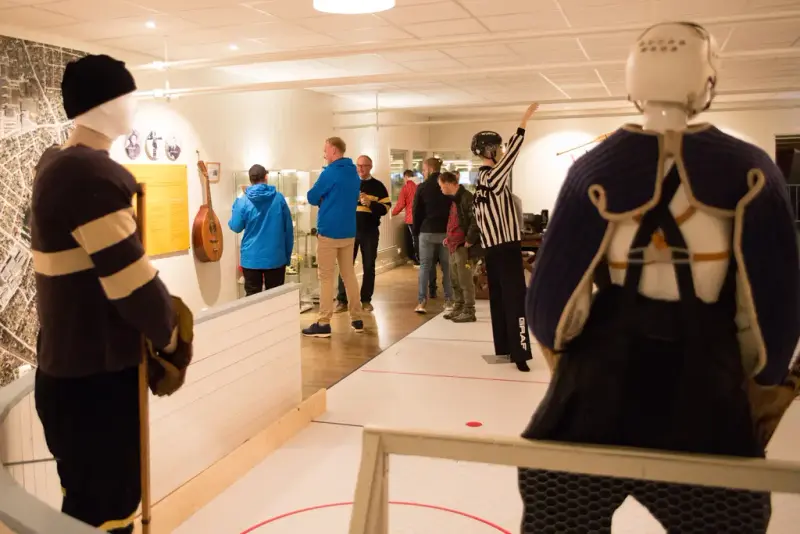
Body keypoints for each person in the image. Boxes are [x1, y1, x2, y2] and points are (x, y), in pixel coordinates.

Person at [521, 22, 800, 533]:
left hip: (601, 386)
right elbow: (771, 314)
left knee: (559, 506)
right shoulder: (753, 170)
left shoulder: (594, 171)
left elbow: (553, 308)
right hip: (704, 386)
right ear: (707, 81)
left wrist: (566, 359)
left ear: (633, 82)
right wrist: (758, 382)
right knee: (725, 518)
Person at [30, 54, 192, 534]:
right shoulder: (88, 176)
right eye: (130, 96)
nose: (135, 107)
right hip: (95, 379)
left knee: (84, 505)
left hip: (69, 372)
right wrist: (169, 339)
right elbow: (133, 286)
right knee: (108, 512)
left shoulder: (55, 165)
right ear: (107, 104)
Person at [470, 104, 538, 372]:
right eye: (497, 148)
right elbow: (511, 156)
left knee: (499, 300)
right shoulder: (493, 176)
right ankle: (519, 353)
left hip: (492, 248)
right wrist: (524, 122)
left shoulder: (481, 179)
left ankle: (505, 349)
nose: (500, 152)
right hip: (505, 246)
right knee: (514, 299)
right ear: (489, 151)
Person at [302, 137, 364, 338]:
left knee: (326, 278)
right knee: (349, 275)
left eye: (326, 150)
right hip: (348, 231)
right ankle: (357, 318)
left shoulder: (330, 172)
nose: (324, 153)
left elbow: (312, 196)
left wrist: (323, 198)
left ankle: (324, 322)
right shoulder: (353, 173)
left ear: (335, 151)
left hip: (329, 232)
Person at [335, 155, 391, 313]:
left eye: (364, 166)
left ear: (370, 166)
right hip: (348, 231)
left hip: (370, 232)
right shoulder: (348, 183)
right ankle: (342, 300)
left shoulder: (378, 186)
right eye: (358, 165)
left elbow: (386, 208)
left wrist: (371, 204)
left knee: (369, 265)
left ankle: (366, 300)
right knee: (346, 266)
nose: (360, 168)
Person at [228, 164, 294, 296]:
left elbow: (235, 226)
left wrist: (236, 205)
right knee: (275, 299)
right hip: (276, 257)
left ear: (250, 180)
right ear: (266, 177)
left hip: (251, 259)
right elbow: (288, 230)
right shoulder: (278, 198)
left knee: (252, 301)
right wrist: (287, 257)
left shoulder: (243, 201)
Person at [412, 157, 453, 314]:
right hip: (445, 232)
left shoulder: (422, 187)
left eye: (423, 169)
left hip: (427, 231)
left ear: (428, 168)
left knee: (425, 267)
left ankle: (422, 302)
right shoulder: (448, 185)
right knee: (447, 267)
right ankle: (449, 300)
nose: (423, 172)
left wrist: (416, 232)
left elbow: (416, 212)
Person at [438, 171, 480, 323]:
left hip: (463, 246)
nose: (441, 189)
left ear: (449, 184)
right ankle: (459, 306)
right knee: (454, 278)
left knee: (465, 279)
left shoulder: (467, 198)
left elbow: (476, 220)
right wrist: (448, 238)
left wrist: (470, 239)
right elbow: (455, 221)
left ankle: (469, 309)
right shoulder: (455, 200)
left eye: (442, 186)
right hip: (453, 244)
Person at [392, 169, 419, 265]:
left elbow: (400, 204)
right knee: (420, 239)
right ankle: (424, 259)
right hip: (422, 218)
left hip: (411, 218)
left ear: (406, 177)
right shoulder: (420, 185)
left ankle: (418, 260)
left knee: (414, 239)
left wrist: (392, 213)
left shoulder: (406, 187)